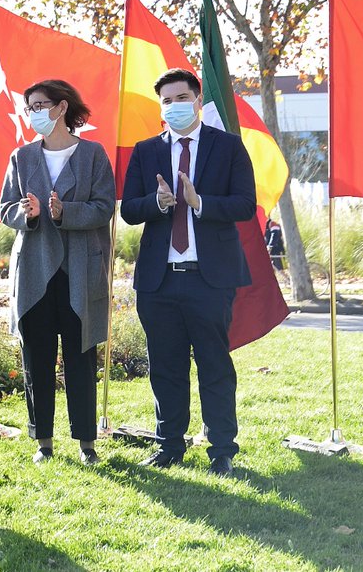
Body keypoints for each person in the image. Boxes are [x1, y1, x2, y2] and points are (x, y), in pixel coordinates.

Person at [120, 68, 256, 477]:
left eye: (181, 98)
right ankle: (169, 445)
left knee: (214, 364)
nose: (174, 106)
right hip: (159, 280)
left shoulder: (228, 147)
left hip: (209, 278)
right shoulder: (146, 151)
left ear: (198, 100)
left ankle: (222, 450)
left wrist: (200, 202)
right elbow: (128, 209)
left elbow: (245, 205)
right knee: (166, 366)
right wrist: (157, 203)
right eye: (166, 101)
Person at [0, 80, 115, 466]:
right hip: (34, 270)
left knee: (81, 357)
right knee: (37, 357)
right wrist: (27, 214)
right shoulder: (21, 157)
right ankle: (43, 441)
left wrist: (67, 212)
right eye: (28, 107)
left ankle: (86, 443)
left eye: (39, 105)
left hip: (79, 270)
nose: (33, 113)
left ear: (61, 107)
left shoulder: (93, 155)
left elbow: (103, 208)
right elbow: (5, 210)